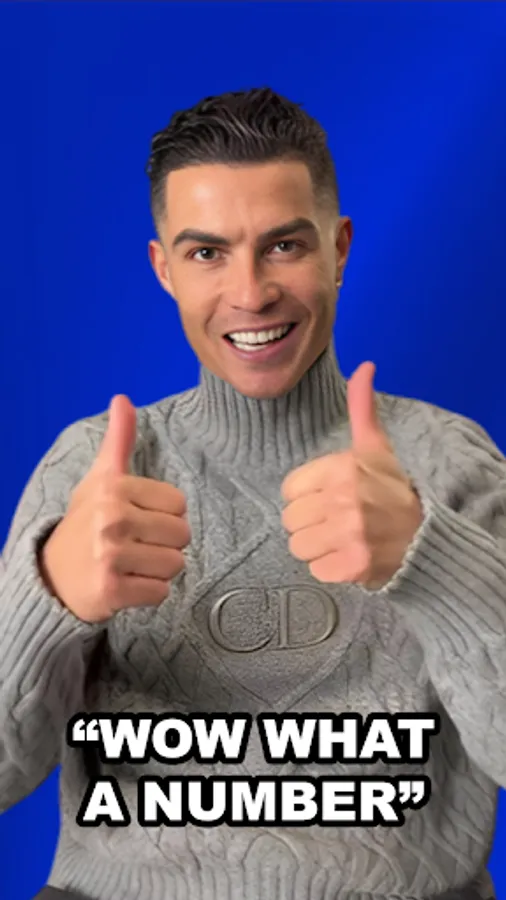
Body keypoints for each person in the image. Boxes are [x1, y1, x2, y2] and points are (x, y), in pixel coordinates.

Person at [1, 87, 505, 900]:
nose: (250, 292)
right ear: (164, 268)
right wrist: (50, 597)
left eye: (284, 246)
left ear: (339, 249)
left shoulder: (446, 459)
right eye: (207, 253)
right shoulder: (92, 470)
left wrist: (434, 560)